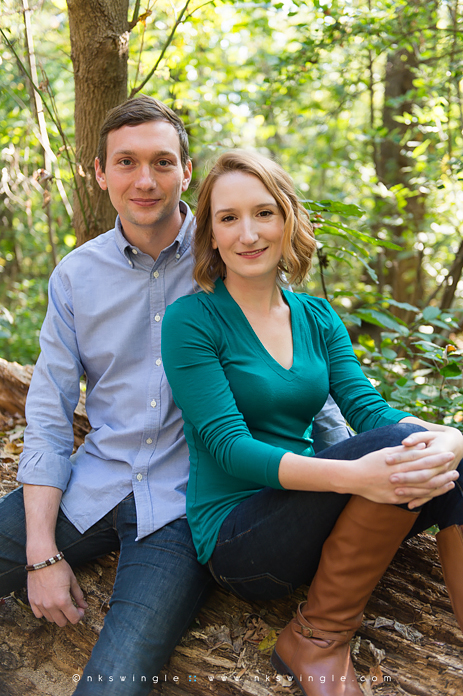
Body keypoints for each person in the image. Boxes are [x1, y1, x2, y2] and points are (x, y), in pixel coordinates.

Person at [0, 97, 352, 695]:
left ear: (187, 171)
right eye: (127, 163)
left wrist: (351, 471)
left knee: (113, 684)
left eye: (163, 162)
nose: (145, 180)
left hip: (183, 512)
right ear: (99, 172)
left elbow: (300, 374)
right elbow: (49, 417)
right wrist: (41, 554)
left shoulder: (234, 247)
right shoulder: (76, 277)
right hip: (91, 485)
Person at [161, 150, 463, 696]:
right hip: (240, 535)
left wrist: (452, 436)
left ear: (288, 219)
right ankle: (317, 641)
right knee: (403, 448)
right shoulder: (192, 319)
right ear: (209, 234)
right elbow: (229, 448)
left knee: (443, 455)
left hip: (313, 509)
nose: (248, 233)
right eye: (229, 218)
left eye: (264, 213)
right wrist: (356, 476)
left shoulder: (318, 317)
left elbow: (367, 409)